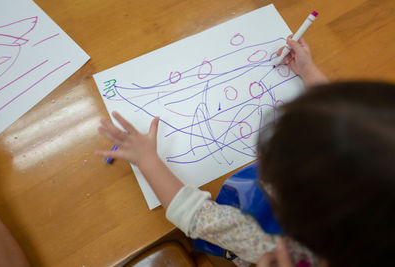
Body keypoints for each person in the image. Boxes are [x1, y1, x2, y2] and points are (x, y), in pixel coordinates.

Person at [96, 36, 395, 267]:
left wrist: (147, 160)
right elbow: (353, 131)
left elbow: (196, 215)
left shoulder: (275, 246)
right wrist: (309, 72)